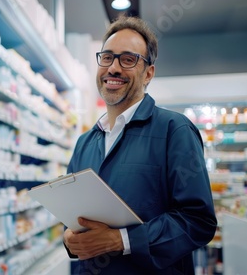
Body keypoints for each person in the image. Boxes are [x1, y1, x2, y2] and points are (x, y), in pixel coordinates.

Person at [63, 15, 217, 274]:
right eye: (107, 57)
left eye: (128, 59)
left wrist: (120, 240)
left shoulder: (174, 130)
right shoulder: (85, 142)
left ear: (148, 73)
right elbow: (71, 213)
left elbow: (198, 221)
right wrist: (69, 237)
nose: (113, 68)